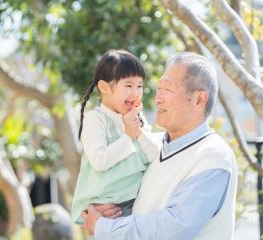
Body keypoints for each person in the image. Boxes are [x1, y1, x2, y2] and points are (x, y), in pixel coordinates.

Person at [81, 52, 238, 240]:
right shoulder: (149, 146)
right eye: (159, 89)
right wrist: (107, 210)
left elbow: (175, 227)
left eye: (168, 90)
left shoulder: (213, 156)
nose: (157, 99)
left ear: (199, 100)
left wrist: (106, 228)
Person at [71, 49, 160, 224]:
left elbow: (153, 155)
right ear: (104, 87)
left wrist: (137, 131)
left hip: (136, 205)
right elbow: (100, 160)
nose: (135, 93)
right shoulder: (95, 119)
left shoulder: (137, 120)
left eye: (140, 86)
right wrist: (128, 136)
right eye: (128, 85)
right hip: (104, 210)